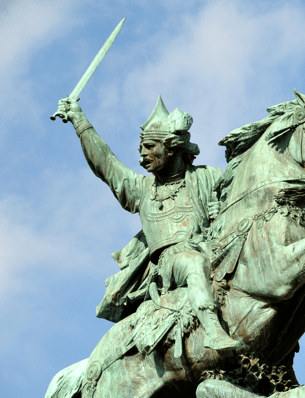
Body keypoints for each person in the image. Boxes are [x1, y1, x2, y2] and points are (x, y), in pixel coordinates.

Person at [55, 95, 241, 351]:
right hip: (170, 262)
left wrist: (221, 211)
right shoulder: (142, 190)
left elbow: (232, 213)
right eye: (141, 148)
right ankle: (212, 331)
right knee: (193, 262)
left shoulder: (208, 177)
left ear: (172, 146)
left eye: (150, 147)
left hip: (215, 249)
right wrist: (79, 121)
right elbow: (106, 163)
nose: (142, 154)